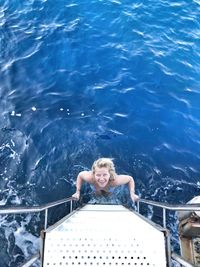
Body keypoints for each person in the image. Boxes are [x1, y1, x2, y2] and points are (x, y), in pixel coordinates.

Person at [72, 158, 139, 202]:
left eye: (105, 175)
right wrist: (77, 191)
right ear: (94, 174)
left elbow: (130, 179)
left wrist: (132, 194)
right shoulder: (90, 178)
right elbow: (80, 175)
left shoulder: (114, 181)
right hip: (96, 189)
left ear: (110, 174)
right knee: (97, 195)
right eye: (98, 175)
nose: (101, 179)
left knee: (109, 196)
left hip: (109, 188)